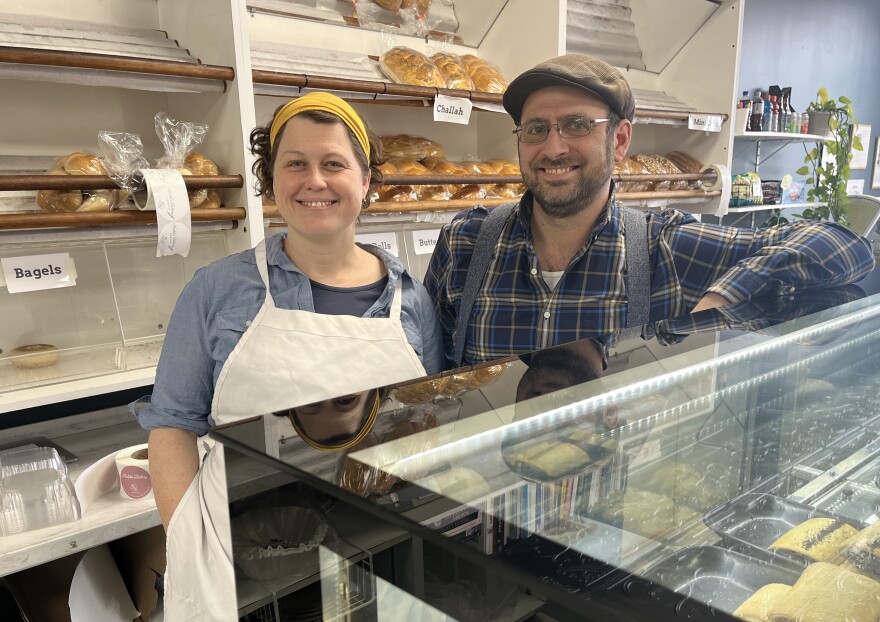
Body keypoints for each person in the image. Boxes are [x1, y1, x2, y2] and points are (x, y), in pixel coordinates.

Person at [133, 92, 443, 620]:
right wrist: (191, 543)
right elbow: (172, 426)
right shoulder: (215, 291)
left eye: (334, 164)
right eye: (295, 163)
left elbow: (424, 420)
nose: (314, 181)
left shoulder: (410, 298)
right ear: (272, 181)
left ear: (365, 182)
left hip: (379, 545)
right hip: (248, 557)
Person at [424, 54, 876, 368]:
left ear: (619, 141)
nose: (553, 147)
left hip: (611, 492)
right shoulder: (466, 242)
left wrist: (722, 296)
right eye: (536, 128)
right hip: (486, 488)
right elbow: (431, 384)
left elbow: (844, 249)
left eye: (577, 125)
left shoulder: (667, 248)